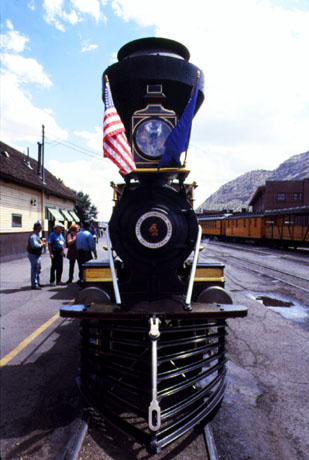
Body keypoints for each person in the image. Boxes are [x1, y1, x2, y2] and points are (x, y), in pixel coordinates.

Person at [27, 221, 46, 289]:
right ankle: (34, 284)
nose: (41, 229)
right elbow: (34, 245)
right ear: (37, 228)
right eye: (40, 227)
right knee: (34, 269)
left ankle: (37, 282)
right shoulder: (33, 236)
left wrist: (41, 241)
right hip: (34, 254)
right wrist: (42, 244)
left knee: (37, 269)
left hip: (36, 254)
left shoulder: (36, 235)